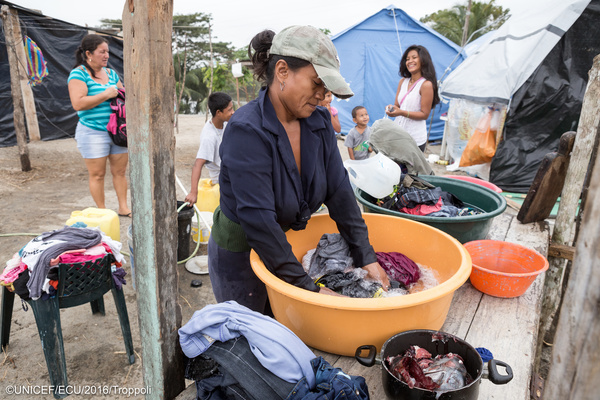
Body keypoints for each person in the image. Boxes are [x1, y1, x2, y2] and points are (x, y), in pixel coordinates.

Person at [208, 25, 390, 314]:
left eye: (326, 88)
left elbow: (340, 193)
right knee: (255, 335)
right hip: (243, 255)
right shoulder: (247, 131)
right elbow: (259, 223)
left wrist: (366, 256)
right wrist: (311, 290)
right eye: (316, 83)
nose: (321, 95)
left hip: (284, 248)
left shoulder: (317, 123)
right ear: (282, 71)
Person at [67, 34, 130, 217]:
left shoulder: (111, 73)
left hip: (117, 131)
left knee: (120, 171)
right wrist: (106, 94)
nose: (106, 55)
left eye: (107, 52)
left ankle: (123, 207)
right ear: (88, 54)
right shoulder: (78, 74)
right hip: (92, 132)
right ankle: (102, 212)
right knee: (97, 174)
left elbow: (121, 94)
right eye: (102, 52)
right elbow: (78, 103)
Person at [385, 45, 440, 152]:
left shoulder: (426, 84)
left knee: (410, 169)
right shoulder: (403, 81)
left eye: (414, 57)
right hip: (398, 134)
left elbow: (424, 114)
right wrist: (392, 108)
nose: (410, 61)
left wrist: (401, 112)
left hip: (414, 139)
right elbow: (397, 105)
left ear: (423, 60)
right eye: (407, 59)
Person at [184, 92, 235, 206]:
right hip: (223, 181)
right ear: (218, 113)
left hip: (233, 171)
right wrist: (193, 192)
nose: (233, 112)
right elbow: (198, 164)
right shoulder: (209, 137)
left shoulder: (225, 123)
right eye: (230, 110)